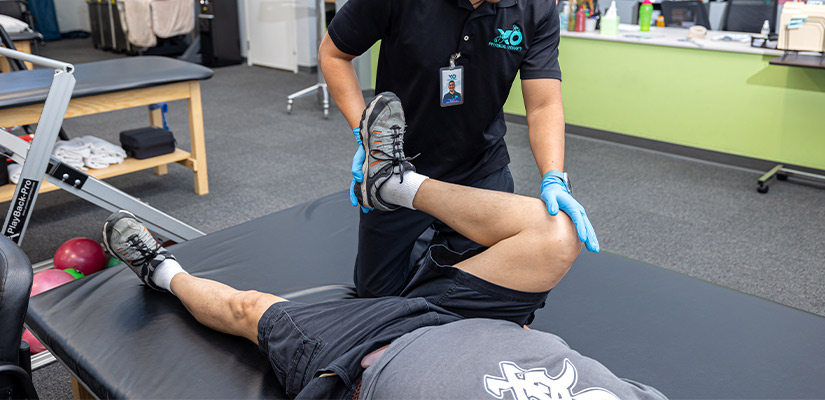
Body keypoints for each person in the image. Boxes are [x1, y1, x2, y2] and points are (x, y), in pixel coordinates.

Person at [102, 99, 666, 400]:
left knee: (248, 309)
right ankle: (394, 185)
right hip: (484, 322)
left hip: (373, 356)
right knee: (556, 231)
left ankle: (161, 271)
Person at [319, 0, 600, 299]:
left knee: (486, 296)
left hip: (480, 168)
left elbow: (544, 105)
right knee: (375, 300)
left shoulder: (536, 7)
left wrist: (553, 175)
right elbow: (334, 53)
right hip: (395, 172)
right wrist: (367, 137)